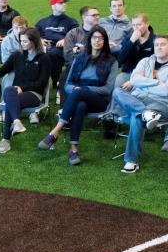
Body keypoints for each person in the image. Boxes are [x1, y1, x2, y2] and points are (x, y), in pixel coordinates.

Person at [38, 26, 118, 165]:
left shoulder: (112, 61)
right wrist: (77, 90)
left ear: (105, 41)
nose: (97, 41)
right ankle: (73, 150)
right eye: (94, 37)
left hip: (99, 100)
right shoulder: (79, 58)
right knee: (80, 105)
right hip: (79, 98)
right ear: (89, 40)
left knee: (79, 92)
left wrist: (83, 89)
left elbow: (108, 89)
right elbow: (68, 84)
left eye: (101, 38)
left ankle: (56, 130)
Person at [108, 35, 168, 173]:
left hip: (161, 105)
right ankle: (146, 113)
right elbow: (134, 79)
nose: (159, 47)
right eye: (157, 45)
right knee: (117, 92)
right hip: (139, 101)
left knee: (137, 117)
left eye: (163, 44)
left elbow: (166, 91)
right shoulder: (145, 61)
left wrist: (143, 84)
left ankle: (131, 161)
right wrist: (155, 82)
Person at [0, 27, 52, 155]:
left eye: (25, 41)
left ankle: (5, 140)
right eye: (21, 41)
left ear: (34, 41)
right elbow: (4, 69)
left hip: (34, 94)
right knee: (10, 93)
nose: (22, 44)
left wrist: (23, 88)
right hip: (15, 92)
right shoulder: (17, 54)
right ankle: (17, 122)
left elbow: (42, 83)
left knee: (9, 99)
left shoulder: (44, 58)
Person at [34, 0, 77, 92]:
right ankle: (54, 82)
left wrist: (66, 39)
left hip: (63, 50)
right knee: (48, 55)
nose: (64, 4)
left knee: (52, 54)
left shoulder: (71, 22)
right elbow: (33, 34)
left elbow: (76, 34)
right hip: (46, 49)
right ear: (53, 6)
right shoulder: (43, 22)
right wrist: (39, 39)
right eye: (61, 3)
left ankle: (53, 82)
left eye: (65, 2)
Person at [115, 12, 155, 88]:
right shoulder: (129, 39)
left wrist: (136, 80)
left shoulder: (155, 41)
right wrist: (131, 41)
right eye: (134, 25)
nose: (136, 28)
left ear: (147, 24)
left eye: (139, 25)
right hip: (128, 73)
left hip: (147, 76)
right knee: (117, 86)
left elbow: (156, 63)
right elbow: (120, 61)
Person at [61, 5, 101, 80]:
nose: (97, 17)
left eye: (98, 15)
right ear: (84, 17)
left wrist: (80, 50)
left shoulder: (102, 34)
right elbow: (68, 55)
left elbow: (102, 55)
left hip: (95, 68)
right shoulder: (73, 34)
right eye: (94, 15)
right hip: (74, 67)